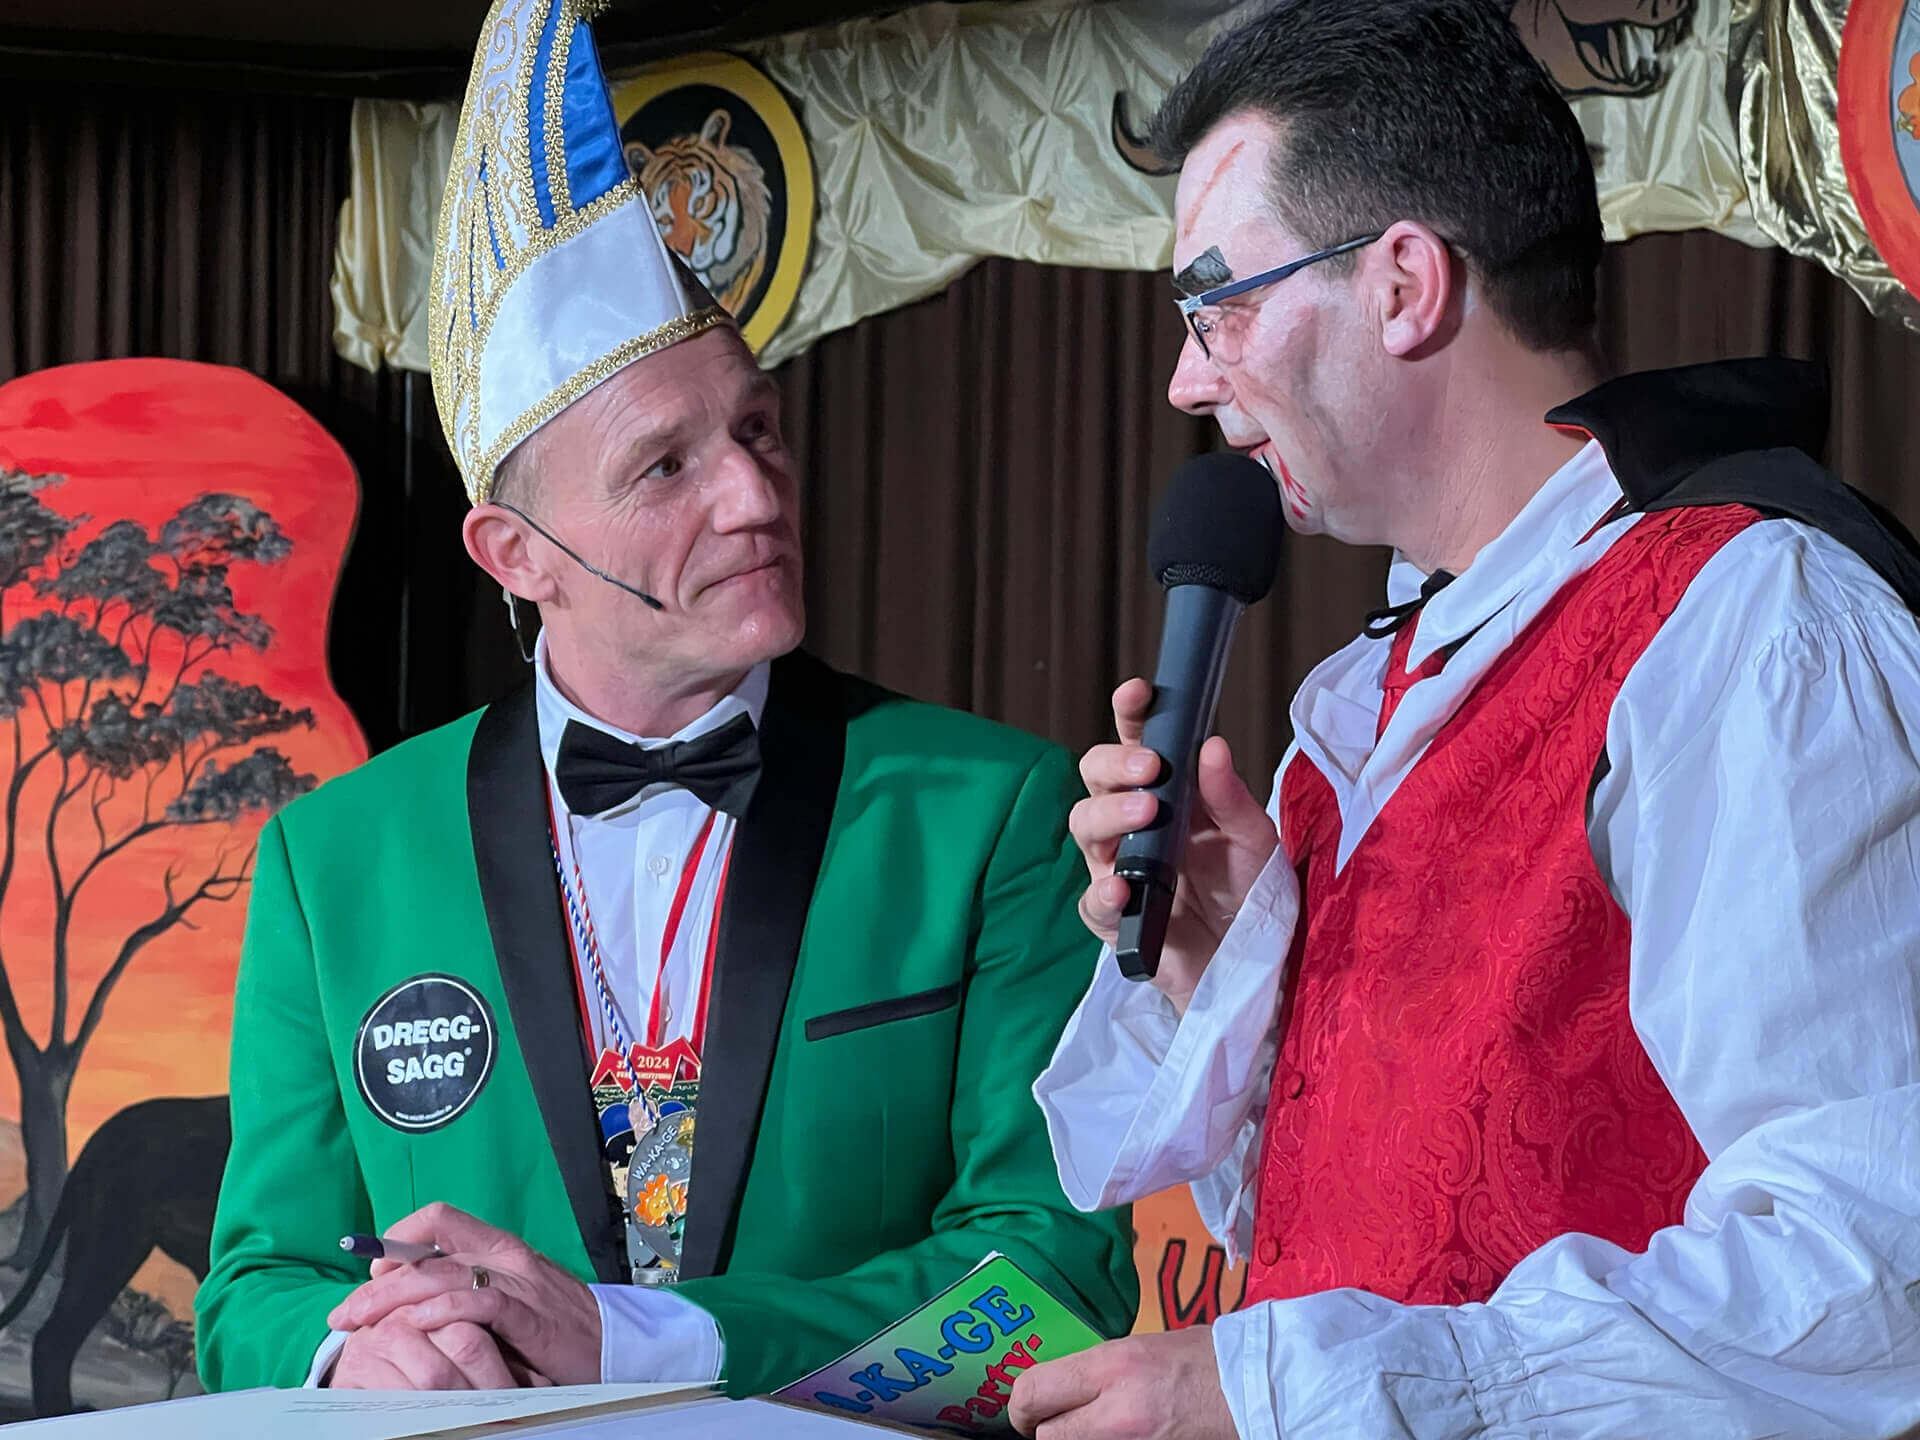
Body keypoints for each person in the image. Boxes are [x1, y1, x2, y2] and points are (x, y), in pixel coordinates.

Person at [195, 0, 1135, 1397]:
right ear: (515, 556)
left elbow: (1055, 1284)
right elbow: (253, 1294)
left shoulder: (984, 813)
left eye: (758, 430)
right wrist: (355, 1358)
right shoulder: (333, 860)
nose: (755, 495)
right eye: (666, 466)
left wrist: (656, 1345)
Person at [1015, 3, 1920, 1437]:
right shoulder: (1360, 710)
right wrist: (1225, 985)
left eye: (1218, 305)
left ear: (1404, 287)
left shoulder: (1751, 627)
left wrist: (1284, 1393)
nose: (1187, 378)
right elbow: (1369, 1230)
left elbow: (1872, 1275)